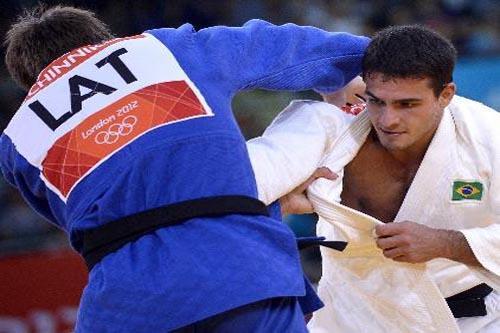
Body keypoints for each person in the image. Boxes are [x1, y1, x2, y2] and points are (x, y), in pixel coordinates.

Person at [0, 4, 370, 332]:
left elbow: (108, 223)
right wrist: (363, 61)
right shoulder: (164, 49)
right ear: (106, 41)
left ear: (30, 83)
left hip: (120, 309)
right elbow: (283, 48)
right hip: (238, 275)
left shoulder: (16, 143)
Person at [248, 25, 500, 332]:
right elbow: (234, 182)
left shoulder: (487, 135)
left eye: (407, 104)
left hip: (473, 319)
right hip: (353, 318)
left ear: (445, 95)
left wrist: (448, 243)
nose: (387, 120)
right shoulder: (327, 128)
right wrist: (278, 205)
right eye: (376, 101)